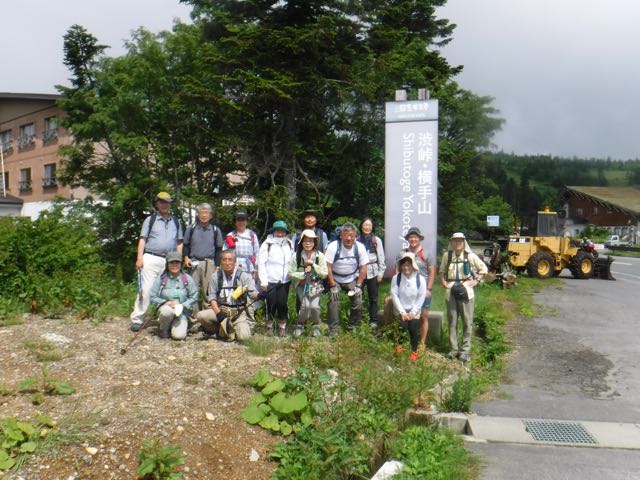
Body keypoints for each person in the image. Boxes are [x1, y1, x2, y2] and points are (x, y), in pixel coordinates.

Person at [130, 192, 184, 332]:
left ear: (170, 204)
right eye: (162, 202)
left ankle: (165, 320)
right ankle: (137, 319)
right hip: (151, 257)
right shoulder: (150, 220)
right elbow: (142, 239)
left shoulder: (176, 222)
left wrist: (178, 260)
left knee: (167, 291)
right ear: (157, 204)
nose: (165, 205)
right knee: (146, 290)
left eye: (167, 202)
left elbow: (179, 243)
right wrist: (139, 258)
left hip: (169, 260)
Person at [439, 232, 488, 363]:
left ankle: (465, 350)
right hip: (451, 291)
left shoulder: (470, 256)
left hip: (466, 291)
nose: (457, 243)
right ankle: (453, 349)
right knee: (452, 321)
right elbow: (442, 271)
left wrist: (476, 281)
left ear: (464, 242)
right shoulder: (447, 256)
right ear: (452, 242)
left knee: (467, 321)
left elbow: (484, 269)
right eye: (455, 240)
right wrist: (443, 281)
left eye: (460, 240)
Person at [196, 250, 258, 342]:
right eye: (224, 260)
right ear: (221, 262)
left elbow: (252, 294)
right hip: (221, 311)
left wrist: (260, 295)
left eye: (230, 260)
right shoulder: (215, 277)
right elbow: (212, 298)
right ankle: (218, 329)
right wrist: (218, 314)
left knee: (244, 338)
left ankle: (231, 330)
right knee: (201, 316)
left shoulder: (244, 276)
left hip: (238, 313)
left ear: (235, 262)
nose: (227, 263)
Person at [325, 222, 369, 335]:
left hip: (351, 278)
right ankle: (334, 329)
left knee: (359, 301)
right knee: (334, 300)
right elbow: (328, 267)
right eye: (345, 235)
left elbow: (363, 267)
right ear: (341, 236)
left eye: (351, 235)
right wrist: (332, 285)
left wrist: (358, 286)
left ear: (356, 236)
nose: (349, 238)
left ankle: (352, 327)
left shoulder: (360, 247)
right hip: (335, 278)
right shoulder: (333, 246)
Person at [182, 202, 224, 315]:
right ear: (198, 214)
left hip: (209, 263)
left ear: (211, 215)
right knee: (192, 291)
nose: (204, 215)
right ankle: (194, 318)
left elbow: (219, 250)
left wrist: (217, 266)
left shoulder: (215, 230)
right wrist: (186, 257)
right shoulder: (191, 228)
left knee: (209, 292)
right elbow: (186, 245)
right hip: (193, 262)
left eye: (207, 213)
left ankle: (207, 318)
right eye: (202, 212)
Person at [148, 251, 199, 340]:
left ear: (181, 264)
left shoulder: (187, 278)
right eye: (171, 262)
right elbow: (152, 297)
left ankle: (181, 324)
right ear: (167, 264)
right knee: (167, 312)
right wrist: (165, 302)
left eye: (177, 262)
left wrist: (183, 305)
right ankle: (164, 329)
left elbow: (194, 297)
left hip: (182, 312)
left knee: (179, 336)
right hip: (166, 309)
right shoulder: (161, 278)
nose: (174, 265)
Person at [258, 220, 294, 337]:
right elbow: (261, 263)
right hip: (270, 280)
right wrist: (263, 281)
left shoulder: (289, 243)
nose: (279, 234)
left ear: (285, 232)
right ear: (273, 232)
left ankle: (282, 327)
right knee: (271, 303)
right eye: (277, 231)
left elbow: (292, 261)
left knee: (282, 304)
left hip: (285, 281)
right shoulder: (267, 244)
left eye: (282, 231)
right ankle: (269, 326)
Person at [290, 229, 328, 337]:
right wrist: (304, 274)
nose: (308, 243)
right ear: (301, 242)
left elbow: (324, 274)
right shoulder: (296, 256)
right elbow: (291, 273)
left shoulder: (320, 256)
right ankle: (300, 325)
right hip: (301, 285)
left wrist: (313, 265)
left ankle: (316, 326)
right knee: (305, 305)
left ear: (314, 243)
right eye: (305, 241)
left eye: (311, 241)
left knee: (315, 306)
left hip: (315, 285)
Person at [403, 227, 436, 351]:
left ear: (420, 239)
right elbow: (398, 271)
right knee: (406, 316)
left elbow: (432, 272)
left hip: (423, 291)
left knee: (423, 316)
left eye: (415, 237)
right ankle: (406, 341)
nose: (413, 239)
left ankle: (422, 343)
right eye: (411, 237)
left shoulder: (427, 254)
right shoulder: (403, 253)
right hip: (407, 291)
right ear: (408, 239)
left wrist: (429, 289)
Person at [390, 252, 427, 362]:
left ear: (413, 265)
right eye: (404, 265)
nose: (406, 267)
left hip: (414, 310)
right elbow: (394, 295)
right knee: (401, 328)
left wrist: (412, 313)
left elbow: (421, 297)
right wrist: (402, 312)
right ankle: (399, 349)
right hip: (401, 309)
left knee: (413, 329)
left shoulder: (420, 279)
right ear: (401, 266)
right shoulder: (396, 278)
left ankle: (414, 352)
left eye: (408, 265)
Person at [358, 217, 386, 328]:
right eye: (365, 225)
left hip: (373, 271)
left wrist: (381, 273)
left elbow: (381, 257)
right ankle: (359, 319)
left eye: (369, 225)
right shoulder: (356, 239)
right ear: (361, 226)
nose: (367, 227)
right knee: (358, 296)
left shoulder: (376, 240)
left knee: (373, 298)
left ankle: (373, 321)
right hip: (359, 272)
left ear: (372, 227)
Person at [224, 210, 259, 277]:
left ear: (246, 222)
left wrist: (256, 269)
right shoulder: (230, 235)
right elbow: (225, 253)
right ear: (235, 222)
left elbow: (257, 253)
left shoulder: (252, 235)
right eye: (238, 220)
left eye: (243, 220)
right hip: (234, 268)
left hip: (249, 268)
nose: (241, 223)